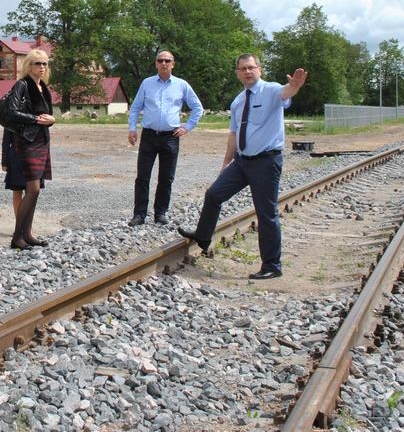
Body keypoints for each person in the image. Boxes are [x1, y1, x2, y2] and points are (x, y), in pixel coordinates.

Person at [177, 54, 308, 280]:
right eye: (243, 69)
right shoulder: (237, 102)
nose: (248, 72)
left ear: (260, 70)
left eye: (251, 67)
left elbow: (286, 92)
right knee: (214, 194)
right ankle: (203, 235)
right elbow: (234, 134)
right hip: (242, 161)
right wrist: (226, 162)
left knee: (266, 213)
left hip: (266, 161)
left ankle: (272, 266)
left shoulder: (271, 90)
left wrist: (294, 86)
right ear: (237, 73)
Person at [126, 51, 204, 226]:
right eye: (160, 60)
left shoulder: (181, 85)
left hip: (171, 137)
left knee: (166, 178)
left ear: (173, 64)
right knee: (142, 177)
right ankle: (139, 215)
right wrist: (132, 128)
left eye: (167, 61)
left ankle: (161, 213)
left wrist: (187, 127)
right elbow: (136, 107)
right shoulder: (147, 83)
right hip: (149, 136)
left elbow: (198, 108)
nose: (163, 63)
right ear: (156, 64)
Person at [4, 49, 56, 250]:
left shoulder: (42, 86)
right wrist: (37, 119)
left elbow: (47, 115)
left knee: (35, 191)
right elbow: (12, 112)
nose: (41, 67)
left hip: (41, 141)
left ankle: (27, 234)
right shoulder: (22, 84)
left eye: (44, 63)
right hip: (26, 142)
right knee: (32, 189)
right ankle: (17, 238)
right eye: (37, 63)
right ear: (28, 65)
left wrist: (50, 121)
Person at [1, 129, 44, 221]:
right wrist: (4, 161)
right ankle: (19, 225)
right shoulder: (11, 115)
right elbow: (6, 140)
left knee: (31, 193)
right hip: (16, 158)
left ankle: (27, 226)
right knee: (17, 191)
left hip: (34, 156)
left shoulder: (37, 114)